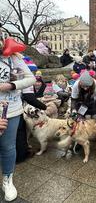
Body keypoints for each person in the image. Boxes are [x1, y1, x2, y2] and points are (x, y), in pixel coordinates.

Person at [0, 49, 36, 201]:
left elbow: (30, 78)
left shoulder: (13, 57)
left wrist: (10, 85)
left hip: (11, 109)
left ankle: (7, 179)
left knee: (8, 147)